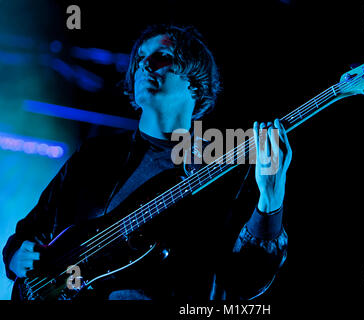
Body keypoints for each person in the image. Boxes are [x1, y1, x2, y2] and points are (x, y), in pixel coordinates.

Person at [3, 24, 290, 300]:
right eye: (140, 58)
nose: (144, 65)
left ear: (195, 83)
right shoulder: (95, 156)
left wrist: (271, 198)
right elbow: (30, 231)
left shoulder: (221, 171)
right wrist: (17, 255)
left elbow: (247, 279)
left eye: (161, 57)